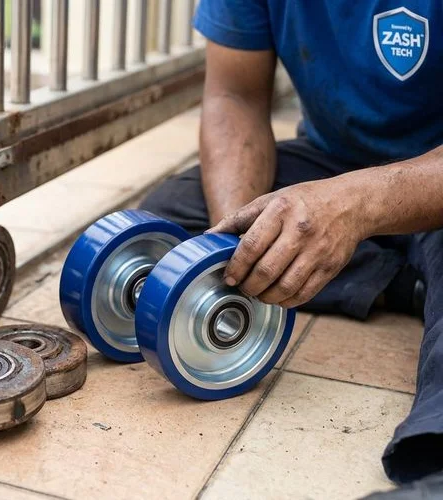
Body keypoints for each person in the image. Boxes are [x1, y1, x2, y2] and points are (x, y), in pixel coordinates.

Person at [140, 0, 443, 492]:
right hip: (331, 160)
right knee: (168, 220)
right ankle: (410, 283)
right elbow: (234, 97)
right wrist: (237, 245)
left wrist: (355, 204)